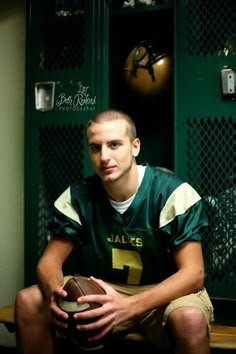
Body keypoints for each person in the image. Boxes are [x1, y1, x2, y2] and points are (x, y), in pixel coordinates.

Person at [15, 108, 214, 354]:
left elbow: (194, 273)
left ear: (135, 147)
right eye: (95, 147)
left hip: (164, 293)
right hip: (106, 289)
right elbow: (49, 262)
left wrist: (128, 306)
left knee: (190, 320)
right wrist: (55, 293)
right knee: (29, 301)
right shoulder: (79, 195)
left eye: (114, 145)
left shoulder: (173, 193)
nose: (104, 156)